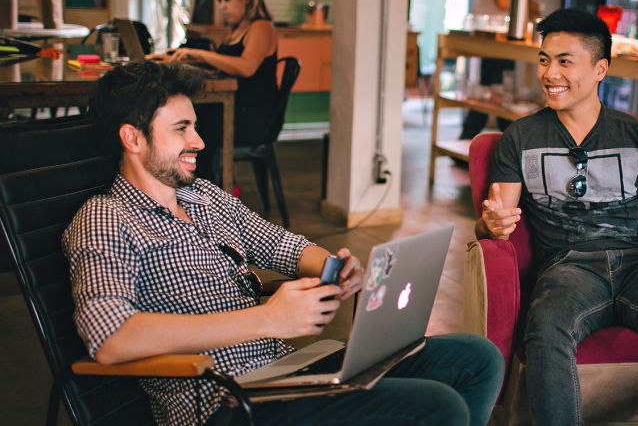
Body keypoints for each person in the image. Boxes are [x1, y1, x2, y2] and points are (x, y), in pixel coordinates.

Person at [64, 61, 504, 426]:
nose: (198, 141)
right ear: (133, 138)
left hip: (283, 374)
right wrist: (267, 319)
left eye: (194, 126)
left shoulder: (204, 196)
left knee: (476, 358)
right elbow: (111, 338)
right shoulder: (106, 218)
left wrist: (333, 267)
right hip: (224, 402)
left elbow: (283, 246)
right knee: (437, 407)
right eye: (181, 129)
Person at [476, 8, 638, 424]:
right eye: (544, 60)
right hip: (567, 267)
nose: (549, 73)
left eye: (564, 61)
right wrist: (490, 225)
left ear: (600, 69)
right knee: (547, 327)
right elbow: (496, 219)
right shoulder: (521, 137)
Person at [151, 0, 280, 180]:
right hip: (235, 107)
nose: (222, 6)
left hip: (251, 117)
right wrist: (178, 58)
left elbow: (246, 67)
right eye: (219, 0)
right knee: (185, 120)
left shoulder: (261, 27)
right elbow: (224, 63)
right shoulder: (237, 29)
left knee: (190, 125)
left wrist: (200, 54)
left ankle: (200, 185)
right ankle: (188, 182)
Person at [459, 0, 540, 141]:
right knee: (497, 95)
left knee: (495, 95)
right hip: (497, 37)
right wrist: (532, 5)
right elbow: (502, 1)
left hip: (497, 37)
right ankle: (509, 145)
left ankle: (508, 145)